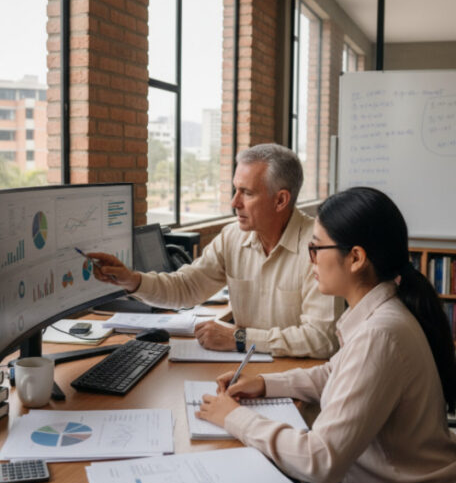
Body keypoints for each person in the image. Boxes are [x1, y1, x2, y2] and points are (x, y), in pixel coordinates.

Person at [196, 187, 456, 483]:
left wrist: (234, 418)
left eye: (316, 249)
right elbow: (334, 373)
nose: (311, 261)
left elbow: (320, 462)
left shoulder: (380, 334)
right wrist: (265, 384)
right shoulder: (382, 312)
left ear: (356, 258)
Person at [90, 144, 340, 358]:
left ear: (280, 200)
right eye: (235, 189)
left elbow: (321, 339)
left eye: (247, 193)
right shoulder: (232, 237)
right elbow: (186, 288)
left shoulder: (320, 246)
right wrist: (132, 280)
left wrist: (240, 338)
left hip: (297, 377)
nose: (234, 203)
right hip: (247, 370)